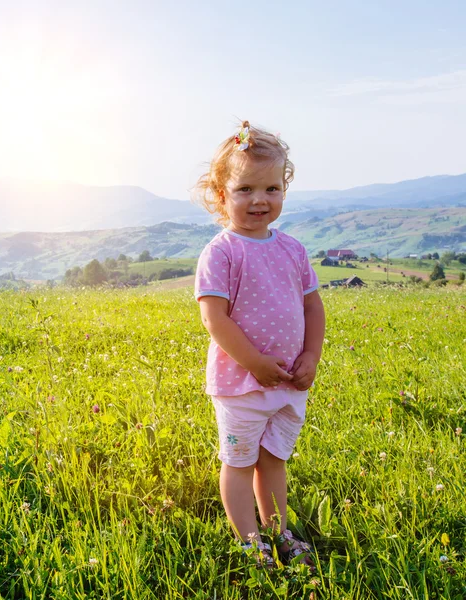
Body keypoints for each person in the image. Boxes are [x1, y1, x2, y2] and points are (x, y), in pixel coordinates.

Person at [193, 121, 325, 567]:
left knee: (273, 459)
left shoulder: (292, 249)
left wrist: (311, 355)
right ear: (220, 193)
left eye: (271, 188)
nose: (259, 200)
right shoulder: (222, 251)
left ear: (284, 189)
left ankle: (279, 532)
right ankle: (251, 540)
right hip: (241, 384)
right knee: (238, 461)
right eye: (245, 189)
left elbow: (312, 308)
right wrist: (255, 363)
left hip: (288, 382)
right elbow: (215, 319)